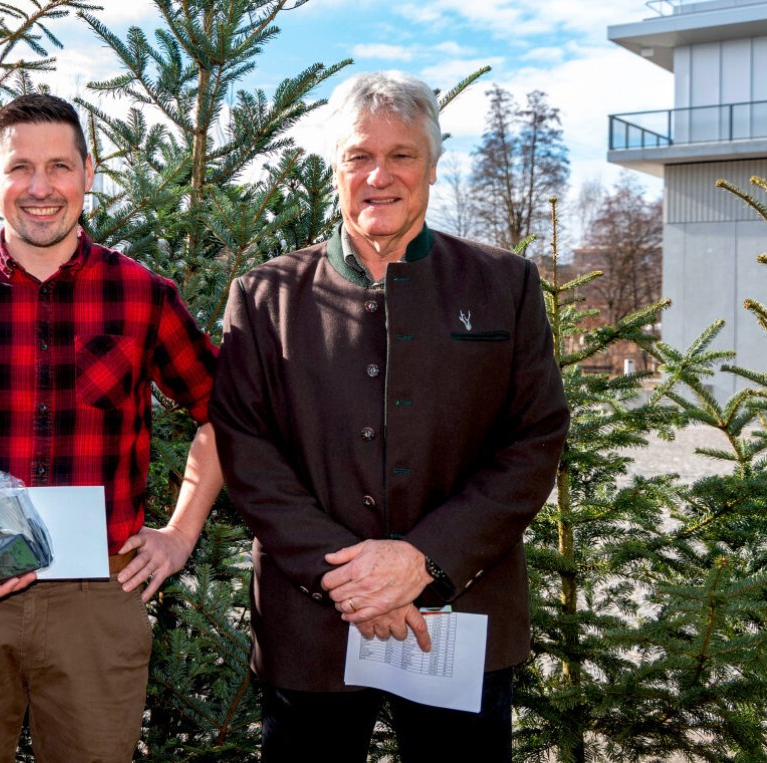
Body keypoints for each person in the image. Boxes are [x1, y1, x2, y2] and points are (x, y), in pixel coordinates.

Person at [209, 71, 569, 762]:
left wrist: (424, 560)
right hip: (311, 627)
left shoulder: (505, 284)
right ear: (335, 169)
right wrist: (348, 575)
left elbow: (535, 437)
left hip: (459, 622)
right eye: (358, 157)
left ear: (431, 165)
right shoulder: (264, 296)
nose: (380, 175)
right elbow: (246, 446)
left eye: (401, 155)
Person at [0, 93, 222, 763]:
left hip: (97, 597)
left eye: (59, 166)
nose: (41, 187)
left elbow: (224, 412)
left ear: (88, 171)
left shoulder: (142, 294)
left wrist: (179, 534)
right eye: (20, 166)